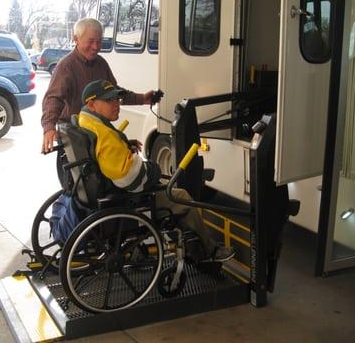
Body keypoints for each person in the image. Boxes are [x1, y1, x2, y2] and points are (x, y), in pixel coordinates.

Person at [70, 79, 235, 263]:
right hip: (125, 198)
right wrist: (152, 169)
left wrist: (124, 145)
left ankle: (191, 246)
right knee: (182, 197)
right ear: (91, 104)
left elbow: (106, 154)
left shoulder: (84, 121)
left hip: (101, 192)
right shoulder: (104, 135)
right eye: (110, 101)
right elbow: (130, 179)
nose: (117, 104)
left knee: (169, 189)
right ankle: (208, 252)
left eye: (117, 99)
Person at [41, 17, 156, 155]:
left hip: (98, 133)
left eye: (99, 41)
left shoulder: (101, 63)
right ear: (76, 39)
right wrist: (49, 127)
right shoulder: (66, 66)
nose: (96, 47)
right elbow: (53, 98)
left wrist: (142, 99)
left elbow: (114, 92)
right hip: (75, 137)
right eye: (90, 41)